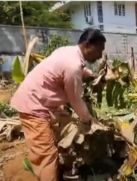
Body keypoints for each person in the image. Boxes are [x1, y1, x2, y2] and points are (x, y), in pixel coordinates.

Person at [10, 28, 106, 181]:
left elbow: (76, 68)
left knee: (63, 134)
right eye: (99, 50)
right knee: (46, 155)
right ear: (88, 45)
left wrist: (90, 74)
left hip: (43, 103)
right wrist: (88, 120)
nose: (100, 55)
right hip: (33, 106)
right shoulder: (73, 65)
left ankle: (64, 170)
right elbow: (75, 99)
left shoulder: (68, 51)